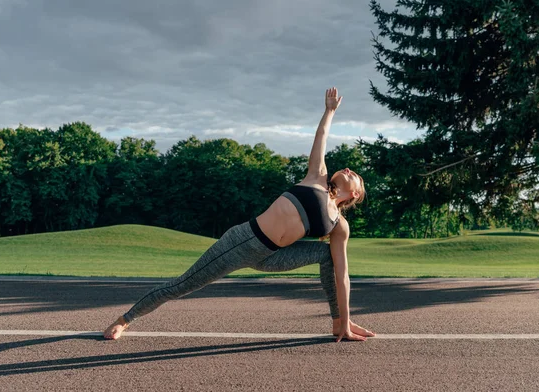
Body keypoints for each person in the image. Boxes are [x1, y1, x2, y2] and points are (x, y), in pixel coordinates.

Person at [104, 87, 375, 342]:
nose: (350, 169)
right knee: (183, 284)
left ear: (354, 195)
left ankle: (340, 324)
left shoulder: (339, 226)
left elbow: (343, 275)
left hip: (273, 256)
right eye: (349, 170)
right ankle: (125, 319)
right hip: (243, 242)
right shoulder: (317, 176)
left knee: (327, 256)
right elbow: (322, 137)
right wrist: (330, 111)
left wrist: (348, 318)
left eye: (356, 177)